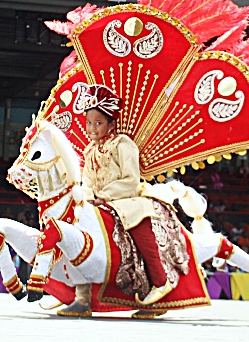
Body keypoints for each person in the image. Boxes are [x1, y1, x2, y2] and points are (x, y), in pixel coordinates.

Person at [57, 85, 171, 318]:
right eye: (89, 123)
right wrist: (87, 196)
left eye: (98, 123)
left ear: (111, 124)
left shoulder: (123, 144)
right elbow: (86, 180)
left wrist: (105, 195)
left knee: (142, 236)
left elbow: (131, 179)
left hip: (126, 202)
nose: (92, 128)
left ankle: (160, 283)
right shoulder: (89, 150)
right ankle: (82, 297)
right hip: (95, 203)